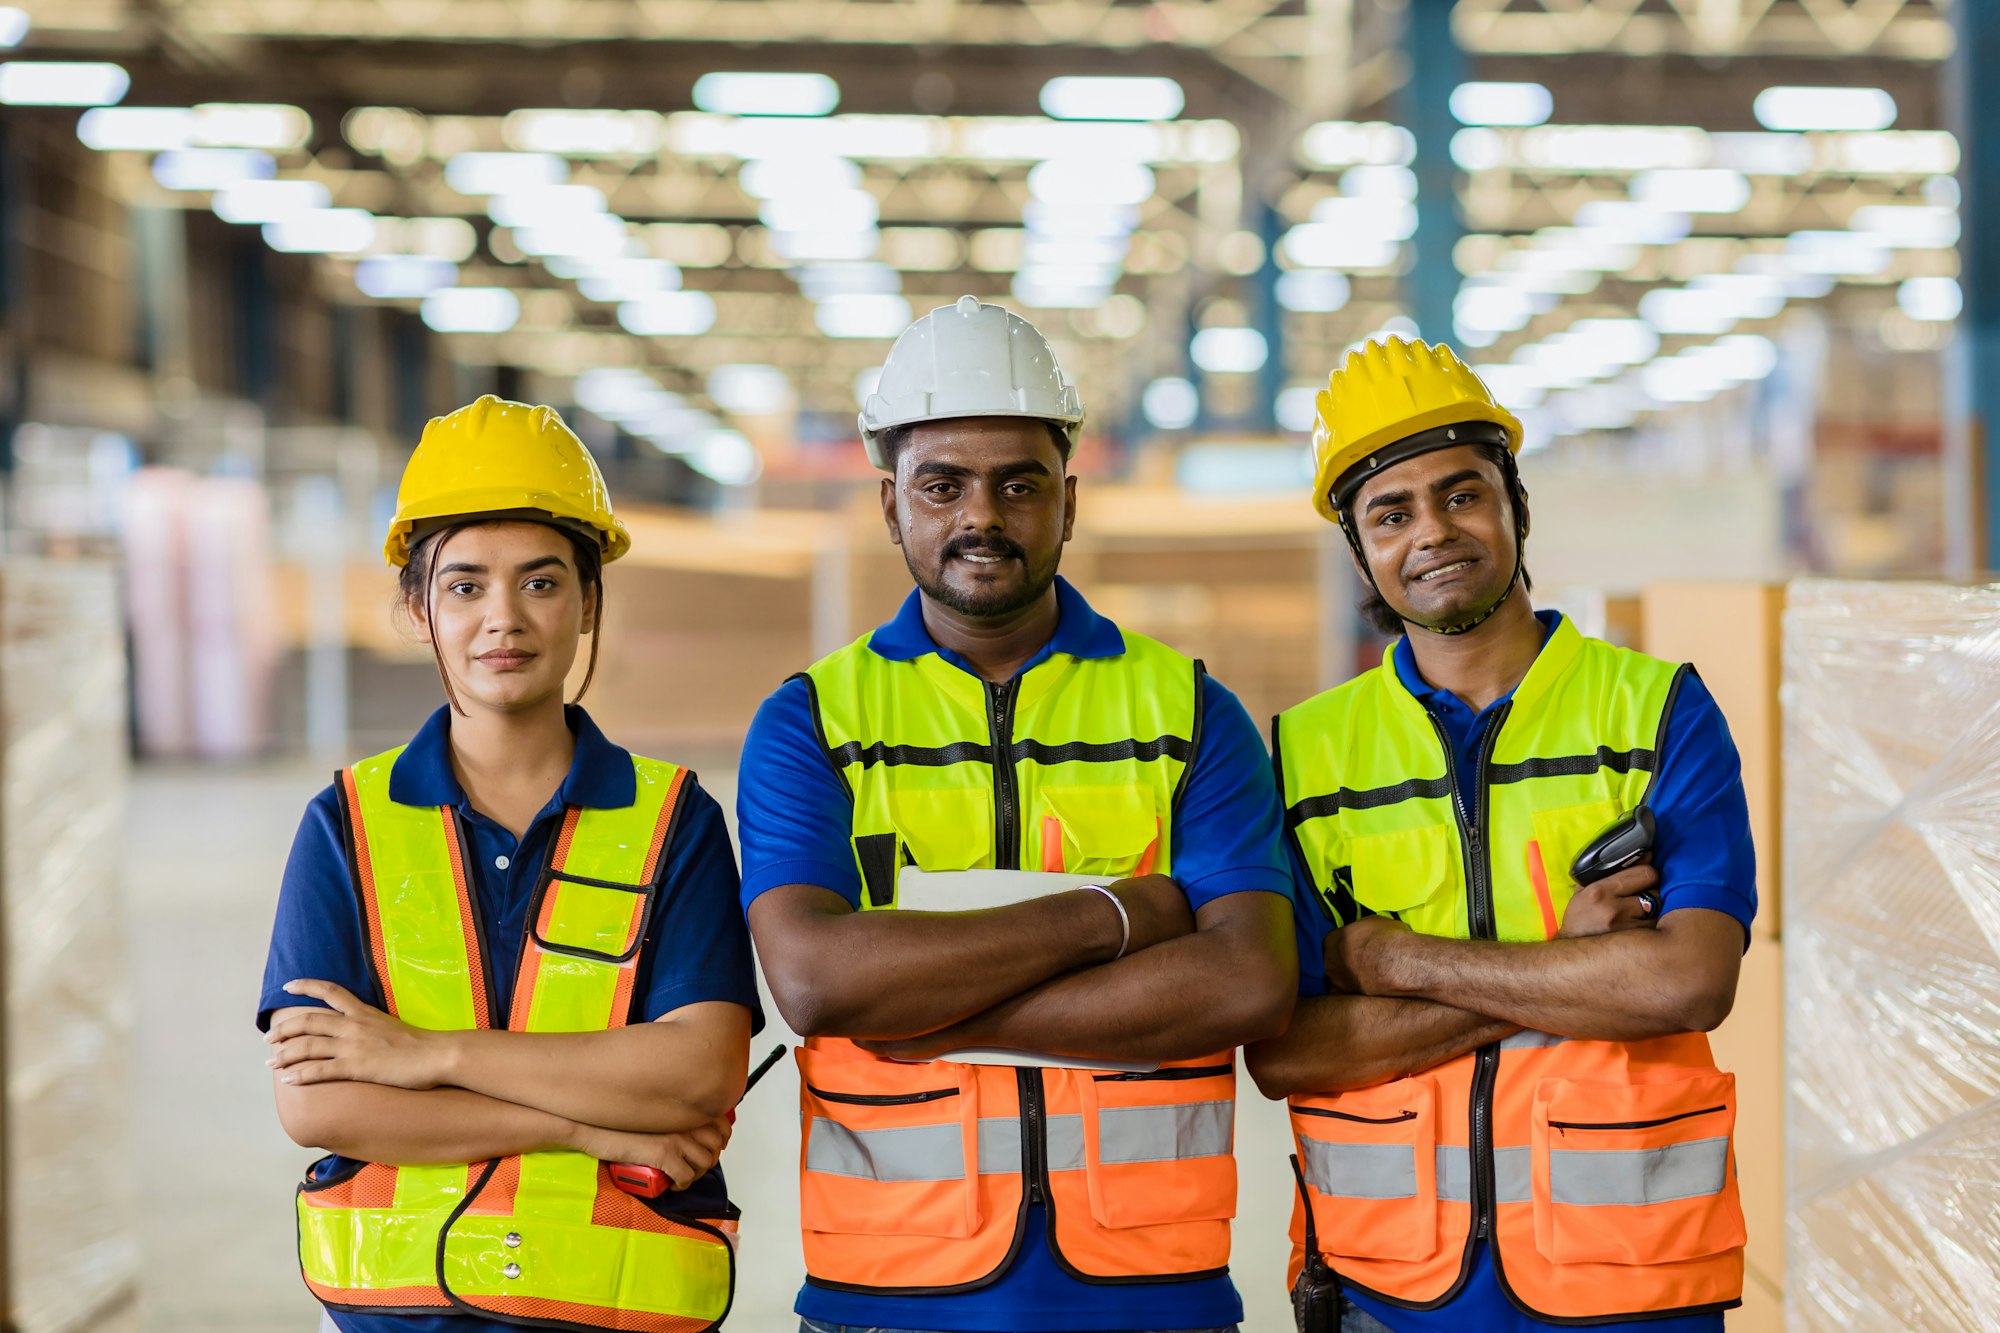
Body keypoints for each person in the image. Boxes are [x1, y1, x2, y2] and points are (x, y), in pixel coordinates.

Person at [736, 295, 1298, 1333]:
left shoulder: (1188, 710)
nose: (979, 517)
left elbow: (1250, 981)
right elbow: (817, 980)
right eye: (941, 485)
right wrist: (1114, 916)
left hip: (1149, 1293)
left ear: (1068, 502)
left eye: (1017, 484)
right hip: (888, 1294)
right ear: (888, 502)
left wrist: (927, 1012)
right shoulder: (810, 721)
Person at [1245, 337, 1757, 1332]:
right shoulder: (1304, 752)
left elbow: (1684, 981)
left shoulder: (1655, 709)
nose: (1431, 532)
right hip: (1385, 1290)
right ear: (1359, 550)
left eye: (1460, 493)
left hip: (1628, 1283)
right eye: (1389, 513)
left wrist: (1394, 957)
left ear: (1513, 505)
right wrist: (1567, 964)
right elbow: (1289, 1052)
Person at [258, 395, 762, 1332]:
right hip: (395, 1311)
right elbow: (320, 1102)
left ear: (587, 601)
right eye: (465, 586)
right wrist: (584, 1120)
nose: (504, 619)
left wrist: (425, 1056)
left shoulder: (674, 820)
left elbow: (698, 1074)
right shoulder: (347, 823)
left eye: (540, 582)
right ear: (417, 608)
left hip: (617, 1305)